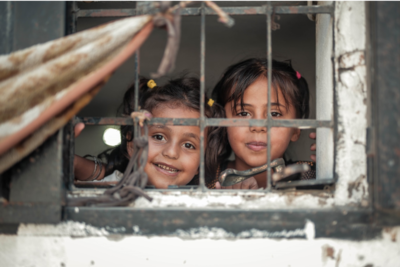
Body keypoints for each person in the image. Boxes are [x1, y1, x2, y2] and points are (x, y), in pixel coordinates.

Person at [74, 77, 226, 189]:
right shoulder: (100, 188)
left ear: (200, 164)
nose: (171, 153)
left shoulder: (202, 203)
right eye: (158, 136)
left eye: (189, 145)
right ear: (132, 144)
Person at [212, 58, 316, 189]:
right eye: (243, 113)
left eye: (275, 114)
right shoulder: (202, 177)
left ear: (295, 129)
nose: (258, 126)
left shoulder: (311, 176)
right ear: (222, 121)